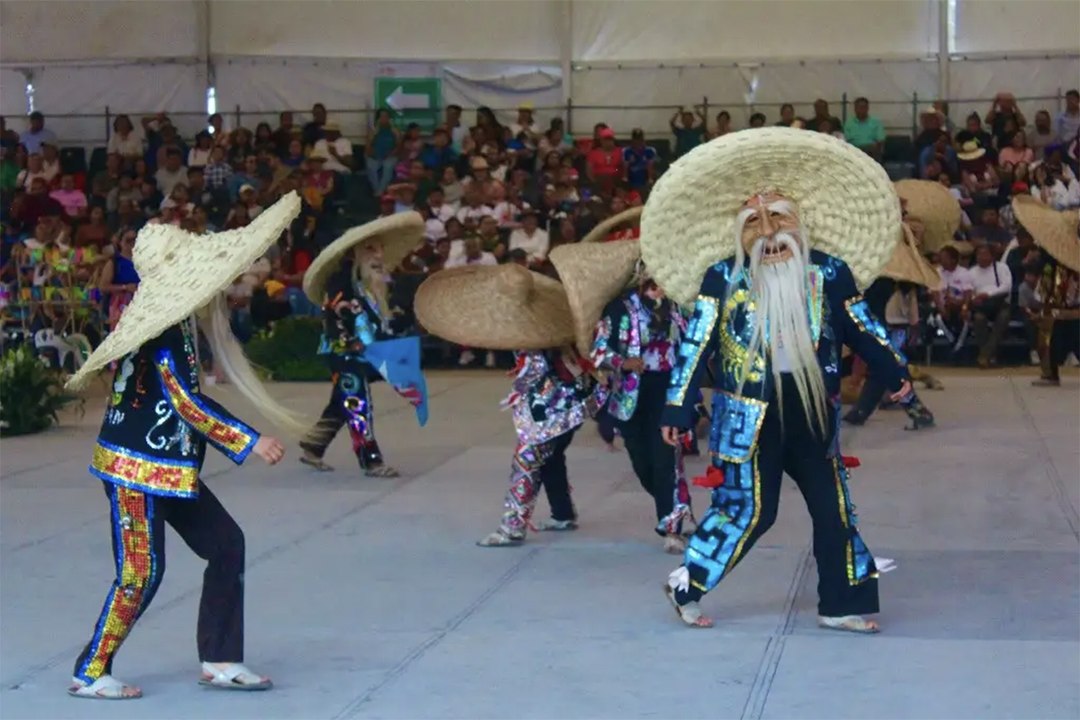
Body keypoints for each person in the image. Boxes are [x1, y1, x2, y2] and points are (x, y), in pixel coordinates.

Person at [640, 127, 912, 632]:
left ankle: (841, 604)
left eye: (778, 217)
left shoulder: (829, 272)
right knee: (750, 511)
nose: (768, 231)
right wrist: (678, 408)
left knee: (835, 510)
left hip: (812, 407)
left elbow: (860, 326)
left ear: (798, 221)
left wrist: (895, 371)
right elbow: (695, 343)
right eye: (754, 222)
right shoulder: (721, 277)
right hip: (747, 416)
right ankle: (686, 583)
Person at [62, 193, 305, 700]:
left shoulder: (179, 325)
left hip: (169, 468)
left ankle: (219, 657)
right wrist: (250, 439)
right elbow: (186, 403)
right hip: (134, 468)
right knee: (141, 573)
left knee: (226, 546)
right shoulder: (167, 333)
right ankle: (90, 669)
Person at [415, 263, 597, 546]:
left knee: (526, 461)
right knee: (551, 457)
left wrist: (518, 390)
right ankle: (563, 512)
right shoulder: (551, 317)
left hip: (549, 406)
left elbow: (535, 369)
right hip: (575, 396)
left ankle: (512, 527)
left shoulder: (529, 334)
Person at [551, 240, 692, 553]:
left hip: (667, 391)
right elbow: (598, 350)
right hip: (630, 394)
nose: (658, 288)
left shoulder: (680, 307)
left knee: (665, 459)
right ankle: (676, 506)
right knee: (642, 464)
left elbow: (694, 347)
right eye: (653, 282)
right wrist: (623, 362)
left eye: (663, 281)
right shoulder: (620, 309)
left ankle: (672, 527)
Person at [297, 213, 426, 477]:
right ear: (355, 252)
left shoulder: (370, 284)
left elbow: (379, 322)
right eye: (370, 249)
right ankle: (372, 461)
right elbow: (340, 315)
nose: (377, 254)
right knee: (358, 403)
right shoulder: (342, 280)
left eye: (379, 248)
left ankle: (313, 445)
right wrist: (353, 342)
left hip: (363, 352)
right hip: (344, 352)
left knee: (342, 401)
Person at [1013, 196, 1080, 386]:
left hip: (1065, 301)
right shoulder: (1049, 250)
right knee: (1049, 339)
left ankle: (1050, 374)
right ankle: (1050, 374)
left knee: (1054, 338)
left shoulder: (1064, 253)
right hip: (1056, 300)